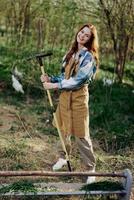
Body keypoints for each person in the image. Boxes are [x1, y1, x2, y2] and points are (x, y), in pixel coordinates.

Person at [40, 23, 99, 183]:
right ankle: (63, 157)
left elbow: (78, 81)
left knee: (81, 135)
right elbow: (63, 76)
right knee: (62, 129)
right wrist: (50, 78)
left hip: (79, 99)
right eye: (81, 32)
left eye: (86, 35)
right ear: (78, 32)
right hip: (65, 98)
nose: (82, 36)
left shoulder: (89, 58)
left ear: (90, 39)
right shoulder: (70, 53)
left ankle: (90, 169)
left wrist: (54, 85)